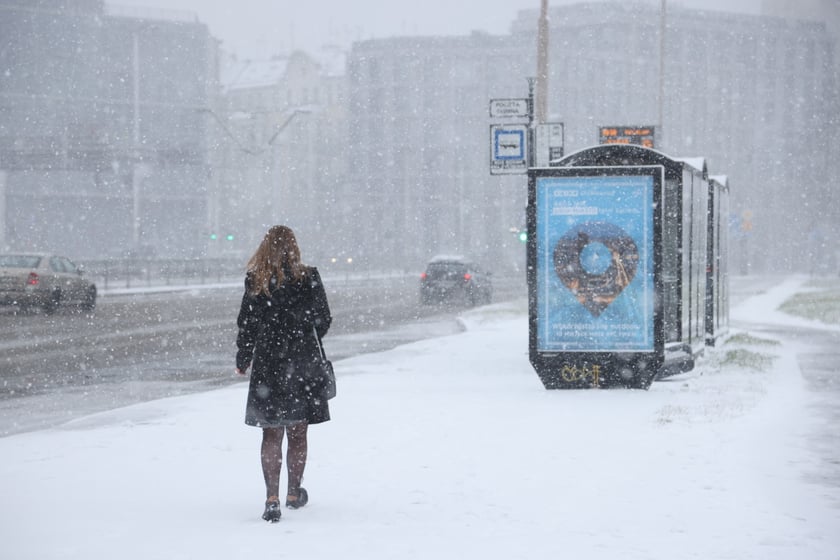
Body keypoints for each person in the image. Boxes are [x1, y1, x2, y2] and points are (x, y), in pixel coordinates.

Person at [235, 225, 332, 523]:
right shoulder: (308, 276)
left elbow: (247, 323)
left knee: (272, 431)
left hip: (269, 363)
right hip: (302, 362)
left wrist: (244, 356)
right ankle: (294, 492)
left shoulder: (256, 280)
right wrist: (304, 334)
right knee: (299, 430)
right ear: (294, 247)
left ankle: (271, 498)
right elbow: (323, 319)